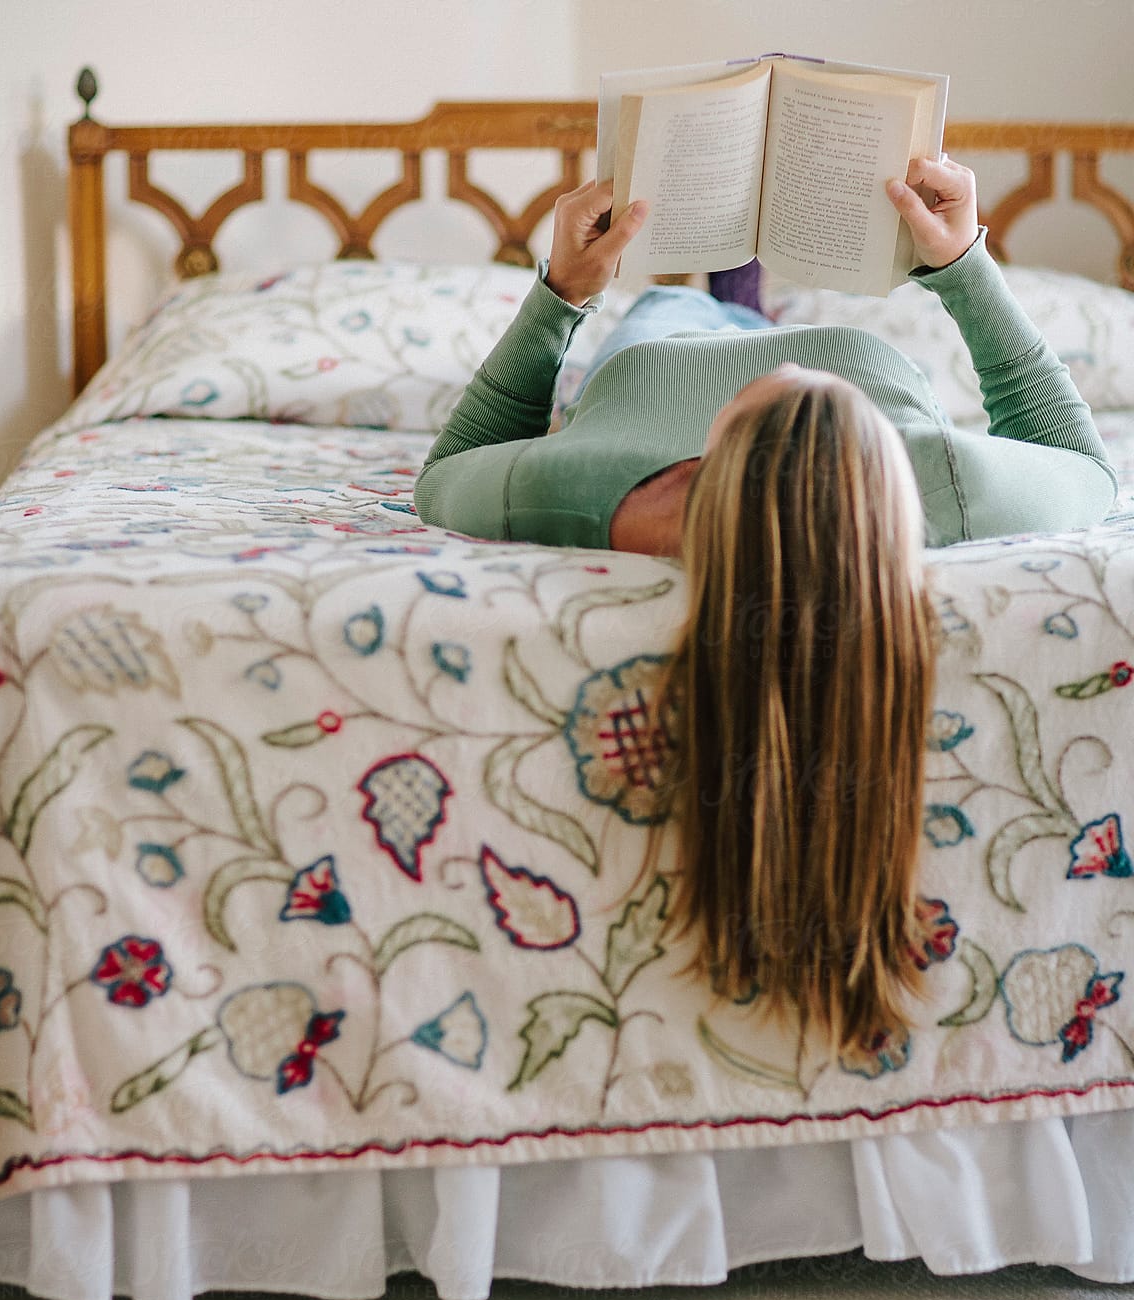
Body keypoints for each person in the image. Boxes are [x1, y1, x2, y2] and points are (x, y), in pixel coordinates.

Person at [414, 160, 1117, 1061]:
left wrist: (561, 295)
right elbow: (1081, 461)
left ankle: (724, 280)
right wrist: (963, 267)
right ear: (888, 471)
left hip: (648, 360)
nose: (789, 365)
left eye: (784, 389)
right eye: (827, 397)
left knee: (670, 310)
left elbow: (448, 470)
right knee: (767, 319)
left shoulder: (592, 489)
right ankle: (743, 281)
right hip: (861, 350)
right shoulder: (945, 480)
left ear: (712, 462)